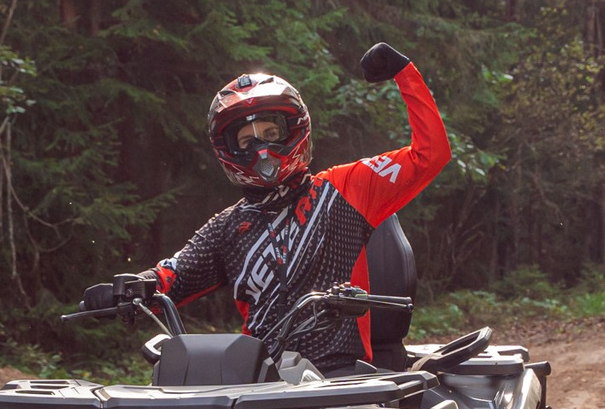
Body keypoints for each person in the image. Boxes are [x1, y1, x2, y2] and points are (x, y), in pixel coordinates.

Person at [83, 42, 447, 374]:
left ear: (294, 130)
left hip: (341, 378)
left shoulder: (345, 188)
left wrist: (404, 73)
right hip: (261, 382)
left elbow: (430, 155)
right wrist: (129, 289)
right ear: (228, 150)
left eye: (271, 134)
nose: (261, 149)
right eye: (246, 141)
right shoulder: (227, 227)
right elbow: (172, 276)